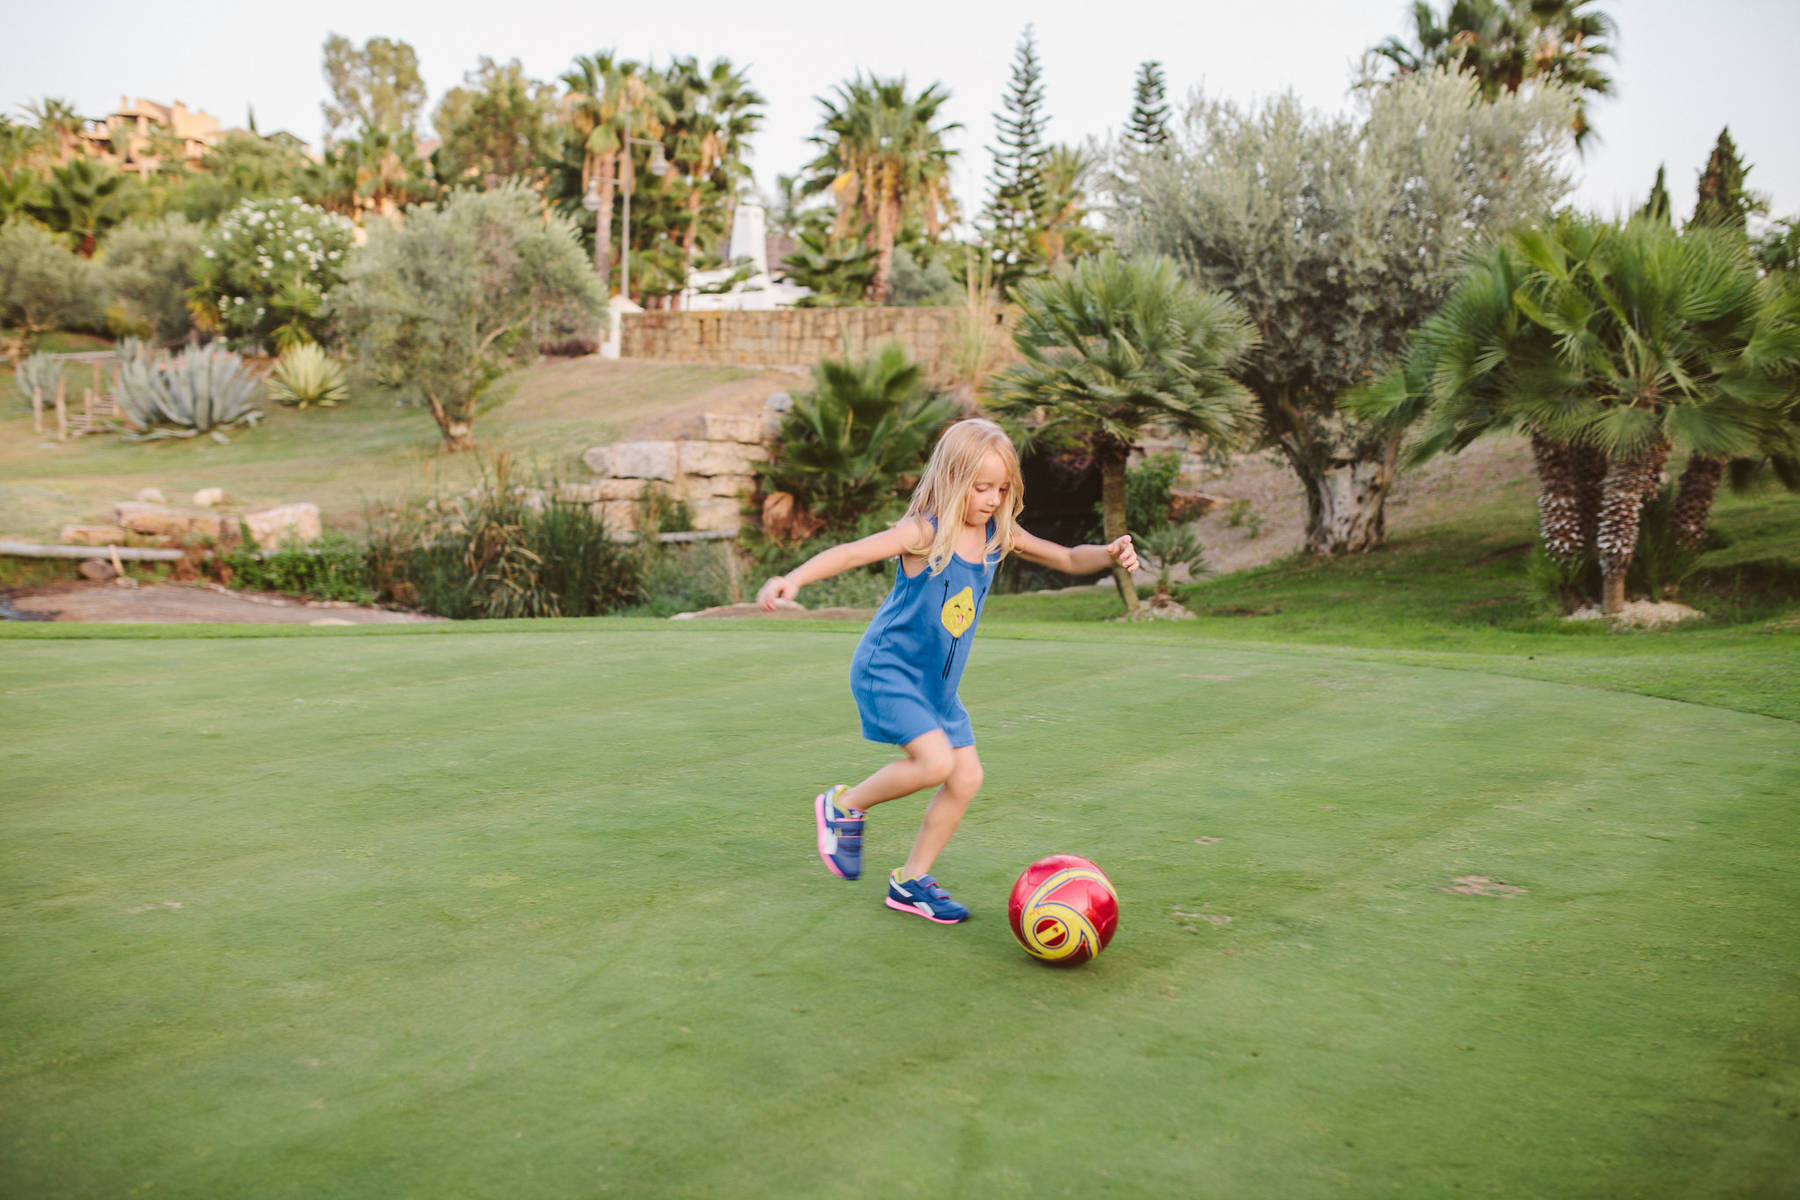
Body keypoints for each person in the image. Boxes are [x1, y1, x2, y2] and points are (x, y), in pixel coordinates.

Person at [756, 418, 1139, 924]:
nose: (992, 499)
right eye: (981, 487)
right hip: (888, 671)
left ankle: (910, 882)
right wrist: (793, 578)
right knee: (935, 764)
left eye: (1002, 489)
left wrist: (1109, 554)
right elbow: (852, 552)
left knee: (966, 778)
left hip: (938, 689)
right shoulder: (925, 531)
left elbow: (1069, 557)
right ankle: (843, 806)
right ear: (953, 479)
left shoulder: (999, 533)